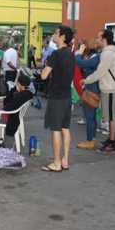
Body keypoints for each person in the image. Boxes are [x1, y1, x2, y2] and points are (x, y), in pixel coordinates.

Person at [40, 25, 75, 172]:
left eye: (56, 33)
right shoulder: (70, 53)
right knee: (65, 128)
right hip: (67, 95)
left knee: (56, 129)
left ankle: (56, 163)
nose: (53, 35)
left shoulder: (56, 54)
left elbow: (43, 75)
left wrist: (45, 67)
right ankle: (65, 160)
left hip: (56, 97)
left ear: (62, 37)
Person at [83, 29, 115, 153]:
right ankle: (111, 139)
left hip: (109, 88)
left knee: (111, 116)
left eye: (99, 37)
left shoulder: (107, 54)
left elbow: (100, 72)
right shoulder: (108, 52)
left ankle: (112, 143)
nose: (97, 40)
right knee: (110, 116)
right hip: (108, 88)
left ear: (104, 39)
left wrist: (86, 80)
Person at [75, 39, 100, 150]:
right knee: (92, 117)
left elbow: (80, 63)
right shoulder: (95, 57)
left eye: (81, 46)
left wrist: (79, 54)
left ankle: (90, 141)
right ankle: (92, 139)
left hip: (91, 90)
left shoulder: (95, 58)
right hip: (92, 89)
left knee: (89, 117)